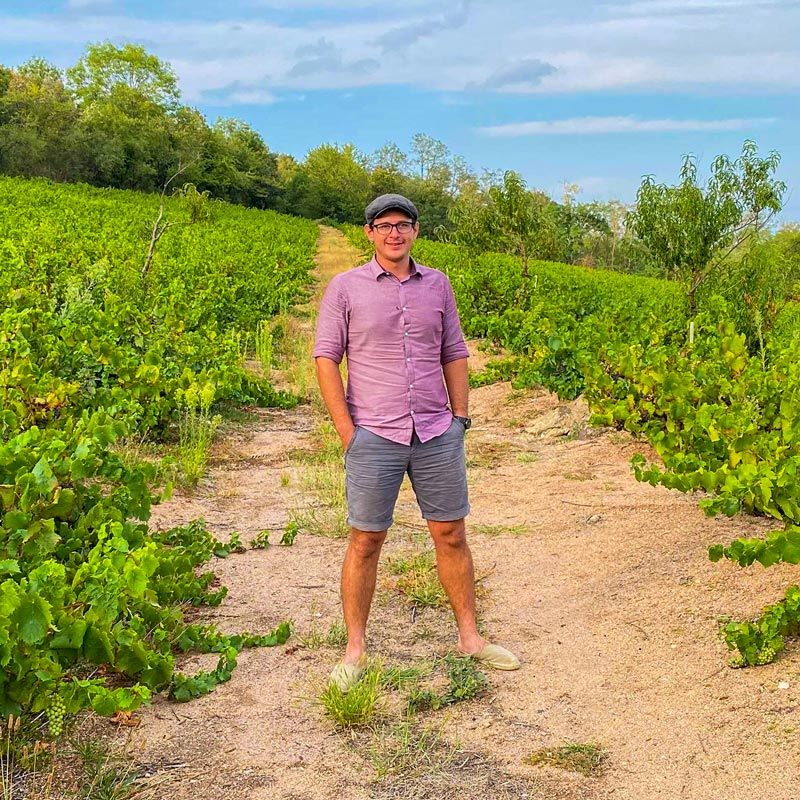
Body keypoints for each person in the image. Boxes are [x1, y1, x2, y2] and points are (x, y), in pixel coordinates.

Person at [313, 193, 520, 692]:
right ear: (369, 233)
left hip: (434, 431)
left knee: (451, 534)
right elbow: (325, 358)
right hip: (374, 432)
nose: (394, 233)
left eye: (402, 225)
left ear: (415, 230)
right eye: (384, 225)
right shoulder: (345, 289)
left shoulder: (438, 285)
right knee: (366, 539)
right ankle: (355, 651)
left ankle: (470, 638)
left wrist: (460, 418)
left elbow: (454, 350)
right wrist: (348, 433)